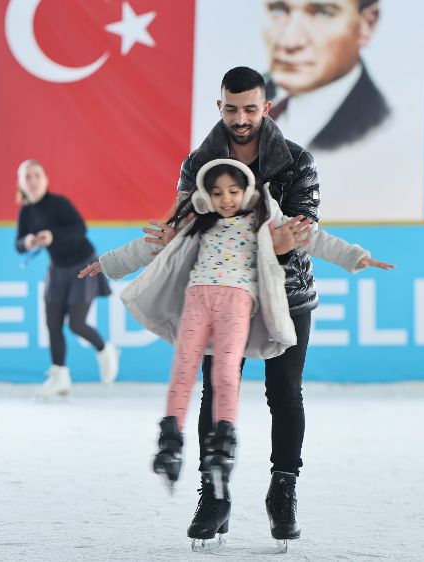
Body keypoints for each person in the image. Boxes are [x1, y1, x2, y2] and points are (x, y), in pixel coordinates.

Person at [79, 158, 393, 546]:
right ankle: (184, 454)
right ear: (206, 195)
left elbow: (311, 236)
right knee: (189, 372)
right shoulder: (197, 218)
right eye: (216, 192)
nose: (226, 199)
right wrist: (108, 263)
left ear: (247, 189)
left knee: (253, 383)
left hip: (241, 305)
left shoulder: (265, 212)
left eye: (233, 191)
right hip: (198, 301)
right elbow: (152, 242)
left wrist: (354, 256)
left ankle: (254, 464)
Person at [142, 66, 393, 545]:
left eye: (250, 109)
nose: (241, 118)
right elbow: (188, 227)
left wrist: (274, 246)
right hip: (220, 293)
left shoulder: (297, 161)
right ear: (219, 107)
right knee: (215, 394)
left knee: (284, 394)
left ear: (266, 107)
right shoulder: (198, 162)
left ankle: (283, 490)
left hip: (286, 296)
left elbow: (301, 236)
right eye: (232, 108)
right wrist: (172, 238)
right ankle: (213, 495)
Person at [14, 159, 119, 398]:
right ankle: (60, 376)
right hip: (58, 268)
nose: (32, 181)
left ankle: (106, 350)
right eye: (27, 177)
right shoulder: (26, 212)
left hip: (82, 263)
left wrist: (53, 235)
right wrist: (27, 242)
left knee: (76, 323)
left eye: (36, 175)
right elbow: (18, 243)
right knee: (52, 323)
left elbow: (80, 228)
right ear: (21, 183)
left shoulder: (58, 203)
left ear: (45, 179)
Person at [262, 0, 388, 150]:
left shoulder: (379, 125)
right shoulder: (249, 92)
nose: (290, 41)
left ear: (368, 24)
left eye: (323, 13)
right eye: (278, 10)